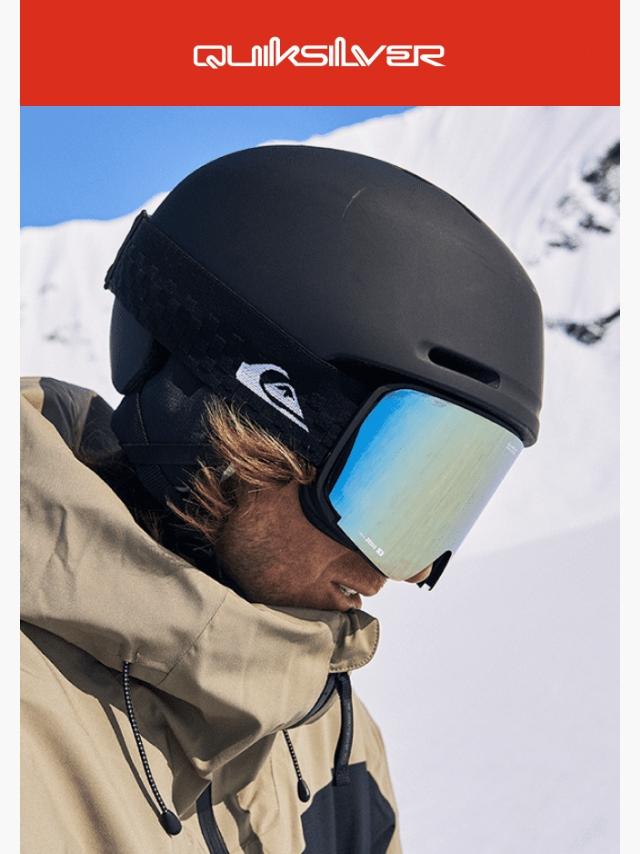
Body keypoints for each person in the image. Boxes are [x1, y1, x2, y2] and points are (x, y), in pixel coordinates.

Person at [21, 145, 544, 853]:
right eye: (385, 485)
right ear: (238, 423)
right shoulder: (28, 742)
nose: (397, 571)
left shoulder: (327, 733)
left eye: (437, 506)